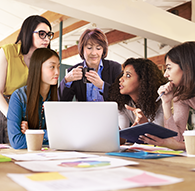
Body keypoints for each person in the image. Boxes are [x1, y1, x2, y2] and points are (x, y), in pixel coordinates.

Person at [0, 15, 53, 143]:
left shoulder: (43, 60)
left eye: (49, 35)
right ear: (28, 32)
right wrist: (13, 119)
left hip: (29, 116)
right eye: (41, 34)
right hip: (5, 111)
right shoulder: (8, 51)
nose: (46, 39)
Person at [7, 48, 60, 149]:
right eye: (52, 67)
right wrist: (49, 134)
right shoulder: (18, 97)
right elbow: (17, 142)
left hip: (51, 157)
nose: (57, 72)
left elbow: (63, 137)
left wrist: (33, 134)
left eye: (58, 66)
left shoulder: (57, 97)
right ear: (37, 68)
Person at [58, 28, 121, 101]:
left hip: (108, 112)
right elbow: (62, 101)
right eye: (89, 48)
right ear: (82, 48)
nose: (94, 53)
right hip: (83, 112)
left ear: (103, 50)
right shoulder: (75, 71)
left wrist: (102, 85)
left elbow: (120, 98)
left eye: (98, 48)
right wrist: (66, 80)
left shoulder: (114, 68)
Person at [109, 58, 166, 130]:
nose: (120, 79)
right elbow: (122, 134)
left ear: (143, 80)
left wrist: (144, 121)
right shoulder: (123, 103)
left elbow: (158, 135)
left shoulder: (161, 102)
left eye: (128, 75)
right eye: (123, 74)